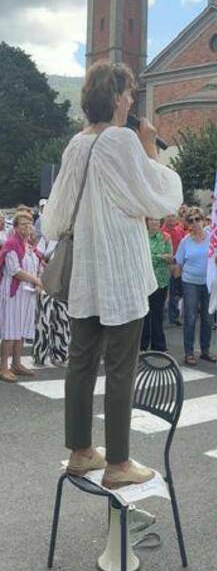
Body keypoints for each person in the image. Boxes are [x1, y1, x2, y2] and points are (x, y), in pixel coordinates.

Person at [42, 61, 182, 488]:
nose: (132, 99)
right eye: (129, 92)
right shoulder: (122, 141)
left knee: (81, 363)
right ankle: (119, 463)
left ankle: (80, 450)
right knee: (121, 366)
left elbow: (54, 219)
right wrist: (150, 148)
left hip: (85, 273)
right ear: (115, 96)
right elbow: (160, 198)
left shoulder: (76, 145)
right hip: (119, 272)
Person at [0, 211, 43, 381]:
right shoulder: (11, 244)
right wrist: (36, 280)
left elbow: (36, 265)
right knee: (10, 331)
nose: (28, 227)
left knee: (21, 330)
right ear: (16, 227)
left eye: (30, 223)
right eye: (23, 224)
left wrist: (37, 281)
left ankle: (16, 364)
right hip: (13, 293)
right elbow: (14, 270)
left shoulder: (30, 246)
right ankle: (4, 367)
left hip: (27, 293)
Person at [173, 205, 215, 366]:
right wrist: (175, 283)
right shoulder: (185, 242)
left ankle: (205, 350)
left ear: (204, 221)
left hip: (208, 281)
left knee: (208, 317)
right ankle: (189, 352)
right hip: (190, 281)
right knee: (190, 317)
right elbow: (179, 263)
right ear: (188, 223)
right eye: (191, 220)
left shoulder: (212, 238)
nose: (195, 223)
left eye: (198, 219)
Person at [33, 232, 71, 369]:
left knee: (62, 321)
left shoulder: (69, 240)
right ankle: (40, 356)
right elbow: (38, 258)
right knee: (43, 321)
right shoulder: (47, 237)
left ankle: (60, 355)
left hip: (62, 286)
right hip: (46, 283)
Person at [140, 217, 172, 353]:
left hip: (161, 280)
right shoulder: (141, 236)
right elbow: (142, 256)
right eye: (152, 219)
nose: (154, 222)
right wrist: (160, 256)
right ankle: (142, 345)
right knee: (144, 314)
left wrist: (154, 256)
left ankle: (158, 345)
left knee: (158, 314)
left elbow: (170, 257)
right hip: (144, 281)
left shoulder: (165, 237)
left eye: (157, 220)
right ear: (147, 222)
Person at [162, 211, 186, 325]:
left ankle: (174, 316)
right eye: (168, 216)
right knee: (163, 292)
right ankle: (161, 315)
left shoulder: (180, 231)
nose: (171, 218)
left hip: (178, 265)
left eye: (173, 216)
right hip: (164, 265)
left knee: (175, 292)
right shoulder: (161, 232)